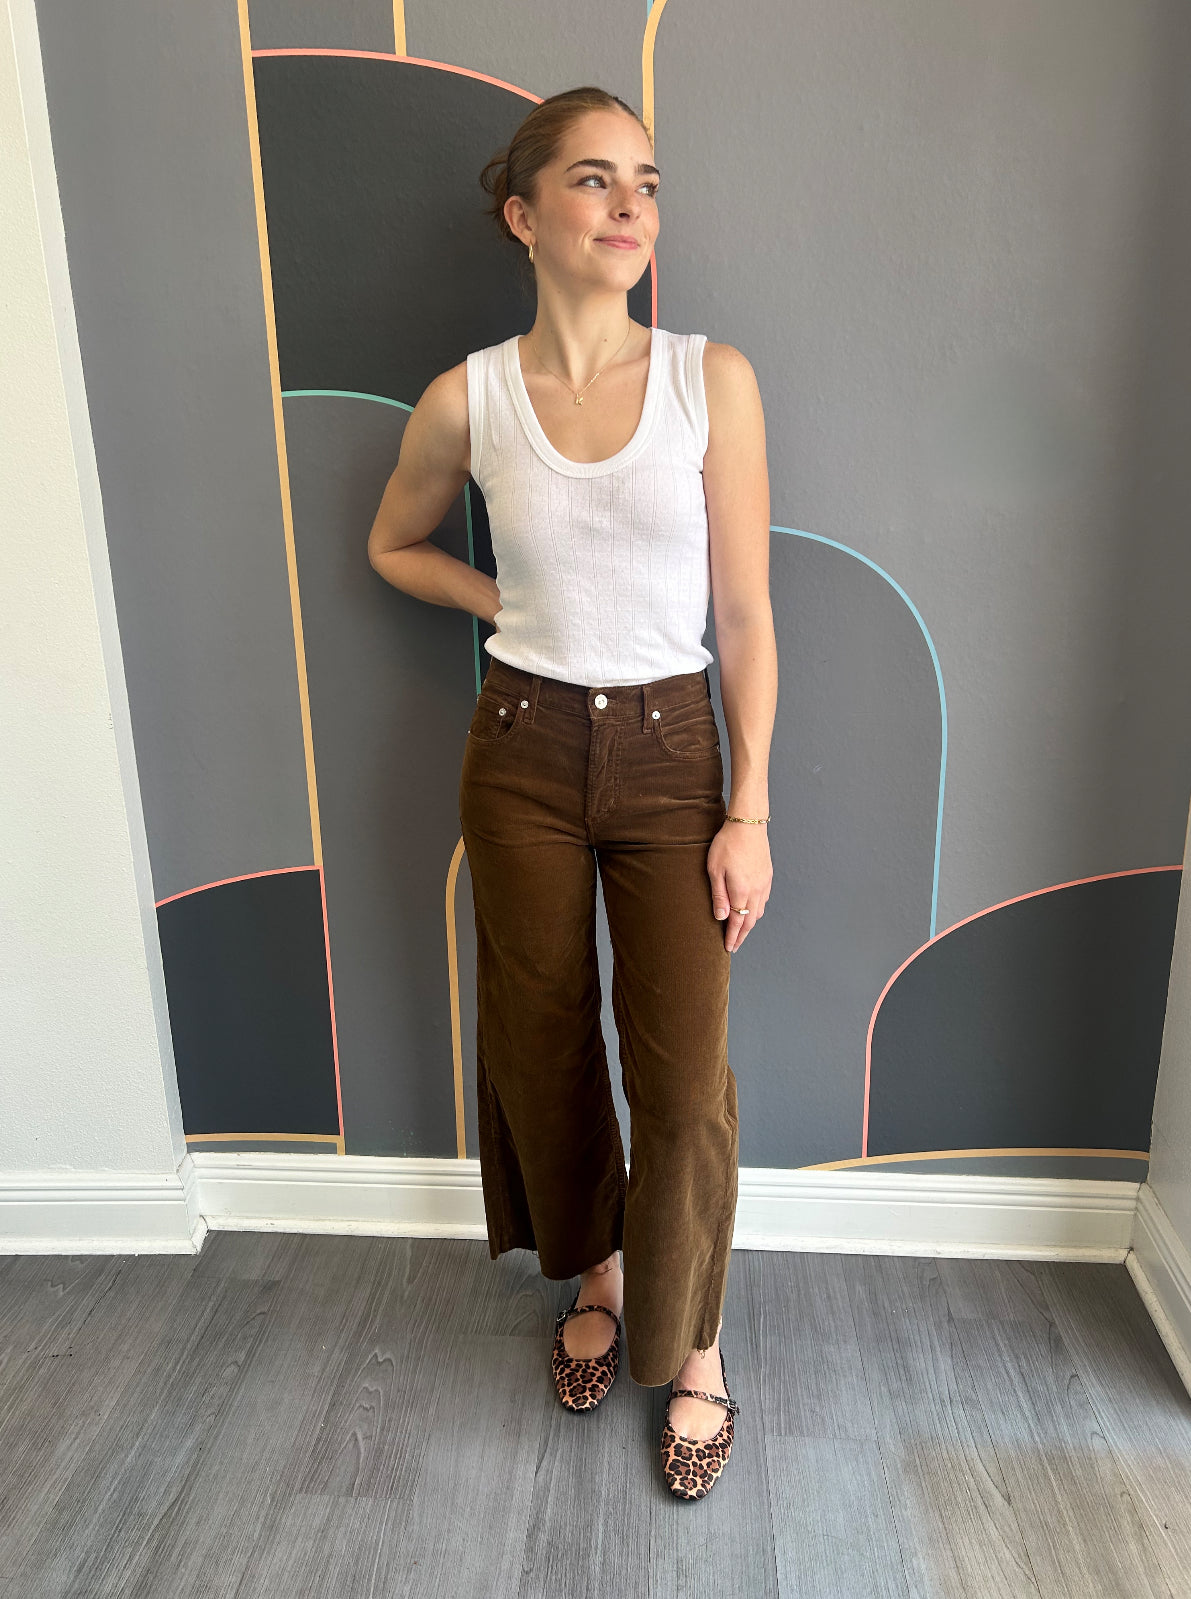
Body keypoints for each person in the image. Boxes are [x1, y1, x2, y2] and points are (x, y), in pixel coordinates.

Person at [368, 85, 776, 1500]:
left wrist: (750, 809)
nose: (628, 207)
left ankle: (694, 1339)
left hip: (674, 754)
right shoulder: (469, 397)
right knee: (541, 1041)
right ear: (524, 215)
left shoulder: (710, 379)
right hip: (523, 749)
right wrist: (509, 606)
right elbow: (394, 543)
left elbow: (745, 614)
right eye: (595, 181)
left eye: (645, 182)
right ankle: (595, 1274)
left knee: (684, 1076)